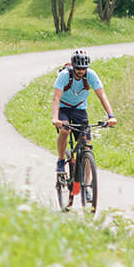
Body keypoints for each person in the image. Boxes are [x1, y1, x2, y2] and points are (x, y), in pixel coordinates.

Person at [50, 49, 117, 194]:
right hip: (64, 108)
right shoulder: (64, 76)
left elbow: (102, 95)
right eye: (78, 69)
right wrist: (55, 118)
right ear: (73, 67)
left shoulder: (91, 75)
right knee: (65, 130)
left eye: (83, 68)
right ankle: (61, 160)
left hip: (80, 109)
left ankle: (87, 186)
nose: (81, 71)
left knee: (86, 147)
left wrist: (111, 115)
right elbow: (56, 98)